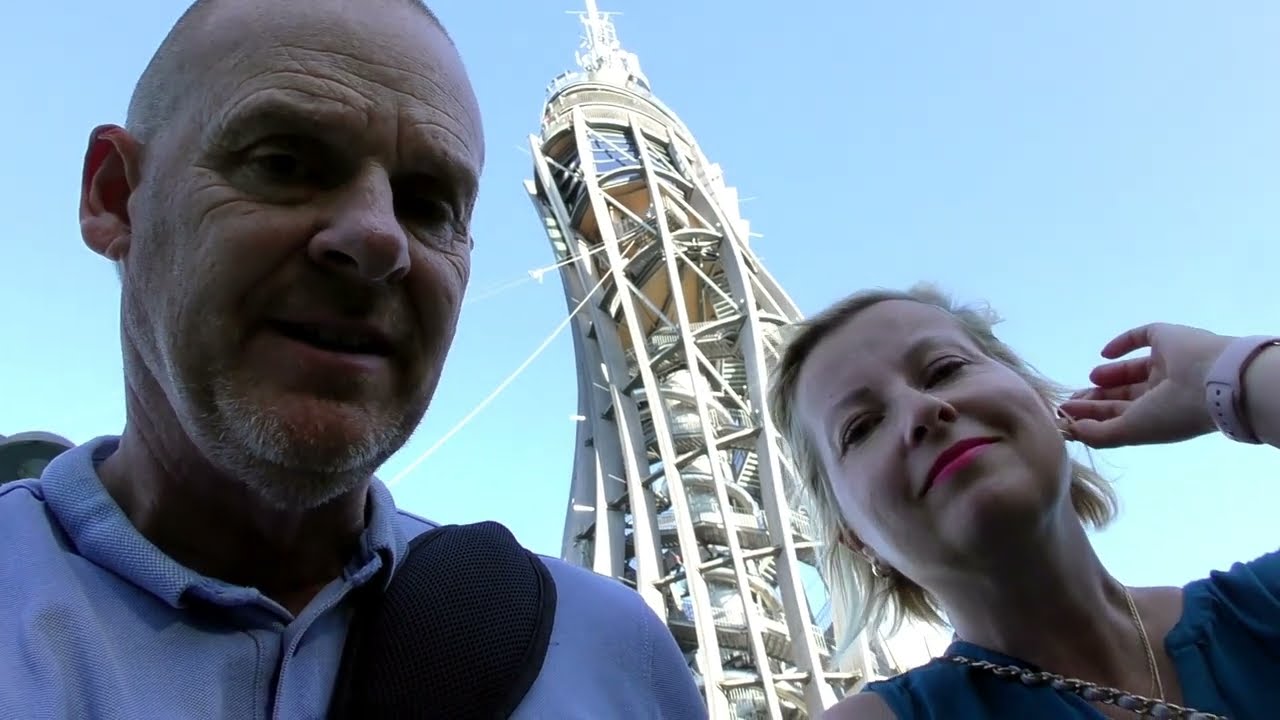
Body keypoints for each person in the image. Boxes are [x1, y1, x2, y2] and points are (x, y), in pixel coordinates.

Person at [0, 1, 706, 718]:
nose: (377, 240)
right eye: (283, 163)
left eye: (428, 206)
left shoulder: (613, 658)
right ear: (116, 198)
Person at [767, 284, 1278, 720]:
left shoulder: (1261, 607)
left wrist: (1227, 374)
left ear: (1039, 398)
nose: (920, 409)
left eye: (945, 369)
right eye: (860, 427)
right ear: (857, 538)